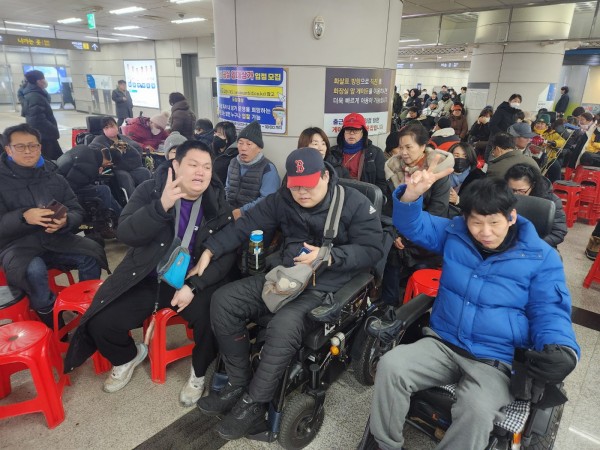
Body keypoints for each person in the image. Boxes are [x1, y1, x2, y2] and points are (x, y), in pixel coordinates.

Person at [371, 175, 580, 450]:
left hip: (495, 358)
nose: (485, 232)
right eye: (476, 222)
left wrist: (563, 347)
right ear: (465, 218)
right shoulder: (455, 233)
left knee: (477, 408)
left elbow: (549, 310)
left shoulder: (541, 257)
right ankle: (385, 444)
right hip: (443, 342)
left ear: (511, 216)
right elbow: (414, 225)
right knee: (391, 365)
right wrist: (410, 195)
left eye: (494, 222)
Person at [195, 147, 384, 439]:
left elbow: (372, 250)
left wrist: (328, 255)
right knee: (224, 300)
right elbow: (246, 224)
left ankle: (254, 403)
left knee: (283, 325)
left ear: (325, 176)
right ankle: (237, 382)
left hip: (326, 286)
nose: (302, 193)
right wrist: (211, 249)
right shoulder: (283, 199)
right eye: (296, 186)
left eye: (308, 185)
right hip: (285, 278)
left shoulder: (355, 203)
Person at [64, 141, 237, 403]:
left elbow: (226, 254)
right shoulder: (151, 190)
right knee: (100, 320)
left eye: (207, 167)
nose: (200, 172)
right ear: (176, 165)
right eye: (193, 165)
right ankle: (128, 356)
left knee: (213, 318)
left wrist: (194, 286)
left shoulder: (217, 201)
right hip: (148, 276)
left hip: (190, 281)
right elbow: (126, 233)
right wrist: (162, 206)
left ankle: (199, 373)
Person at [0, 123, 107, 328]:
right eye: (20, 146)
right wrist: (23, 216)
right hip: (17, 246)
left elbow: (76, 209)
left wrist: (66, 221)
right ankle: (50, 319)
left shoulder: (53, 176)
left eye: (33, 145)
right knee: (33, 270)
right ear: (8, 149)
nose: (28, 151)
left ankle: (86, 307)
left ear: (40, 147)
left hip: (56, 238)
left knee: (92, 252)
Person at [381, 124, 452, 306]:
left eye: (409, 147)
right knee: (389, 256)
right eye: (400, 147)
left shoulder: (437, 173)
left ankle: (413, 310)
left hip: (426, 238)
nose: (403, 152)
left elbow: (438, 210)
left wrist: (408, 236)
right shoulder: (393, 170)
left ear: (423, 146)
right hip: (399, 234)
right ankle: (388, 307)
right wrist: (395, 233)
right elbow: (388, 208)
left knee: (421, 272)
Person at [56, 144, 122, 237]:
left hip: (60, 180)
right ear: (109, 163)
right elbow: (77, 184)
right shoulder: (91, 166)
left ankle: (120, 217)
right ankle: (106, 222)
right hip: (67, 189)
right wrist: (96, 174)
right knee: (104, 190)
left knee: (102, 190)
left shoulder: (85, 149)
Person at [225, 121, 280, 220]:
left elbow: (267, 200)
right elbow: (227, 189)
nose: (243, 148)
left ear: (259, 148)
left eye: (249, 144)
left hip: (254, 217)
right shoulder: (233, 162)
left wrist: (242, 211)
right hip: (229, 213)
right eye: (240, 143)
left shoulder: (267, 168)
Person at [505, 164, 566, 248]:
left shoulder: (551, 201)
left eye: (521, 191)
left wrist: (534, 244)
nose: (515, 195)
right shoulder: (503, 195)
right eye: (511, 190)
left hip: (538, 245)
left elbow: (558, 232)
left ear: (533, 186)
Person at [89, 117, 151, 198]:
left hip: (130, 167)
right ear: (103, 130)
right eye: (106, 127)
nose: (110, 129)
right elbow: (98, 154)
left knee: (144, 172)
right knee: (125, 177)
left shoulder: (123, 138)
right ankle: (133, 201)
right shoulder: (98, 140)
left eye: (112, 126)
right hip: (113, 170)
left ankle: (150, 198)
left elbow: (137, 151)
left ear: (117, 126)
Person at [326, 112, 387, 194]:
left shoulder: (375, 153)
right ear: (343, 132)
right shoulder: (333, 152)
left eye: (356, 130)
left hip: (365, 197)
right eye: (348, 129)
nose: (351, 133)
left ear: (363, 132)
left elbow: (382, 183)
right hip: (338, 195)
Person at [21, 70, 62, 160]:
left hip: (43, 135)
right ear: (38, 81)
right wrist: (52, 129)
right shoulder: (35, 96)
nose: (45, 81)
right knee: (51, 160)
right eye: (43, 78)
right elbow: (37, 119)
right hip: (44, 136)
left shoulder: (34, 93)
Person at [212, 121, 238, 185]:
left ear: (229, 137)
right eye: (215, 133)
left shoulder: (234, 155)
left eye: (219, 134)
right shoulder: (210, 149)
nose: (216, 136)